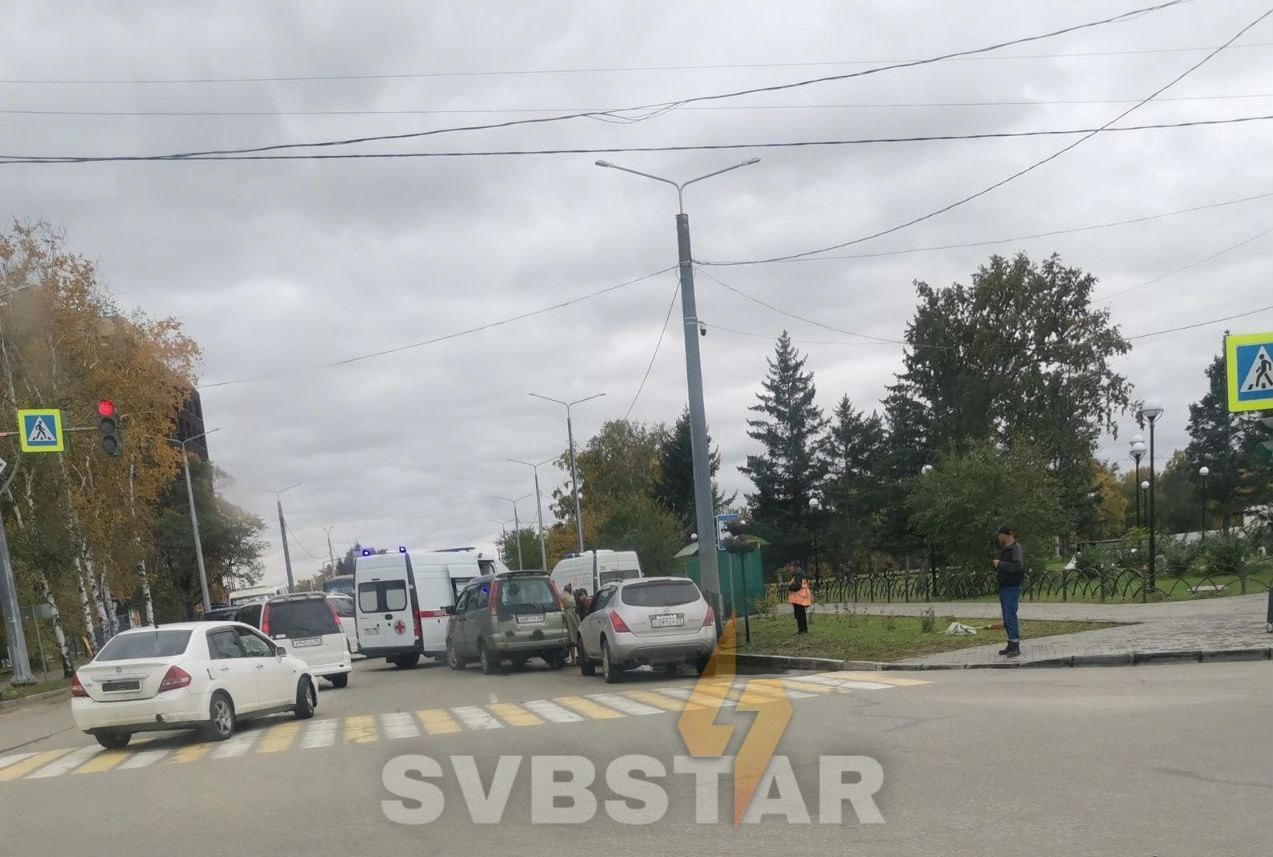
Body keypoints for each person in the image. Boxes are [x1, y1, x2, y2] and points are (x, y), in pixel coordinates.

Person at [992, 526, 1025, 657]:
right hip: (1004, 586)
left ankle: (1015, 646)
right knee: (1006, 617)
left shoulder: (1016, 548)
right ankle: (1011, 643)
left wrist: (1000, 564)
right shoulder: (1005, 549)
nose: (998, 539)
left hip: (1011, 587)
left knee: (1010, 616)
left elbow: (1018, 566)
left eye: (999, 536)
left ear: (1004, 535)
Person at [787, 561, 812, 634]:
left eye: (791, 566)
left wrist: (790, 587)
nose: (790, 568)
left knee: (799, 614)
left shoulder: (797, 574)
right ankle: (804, 629)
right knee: (802, 614)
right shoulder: (801, 573)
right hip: (801, 597)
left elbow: (798, 586)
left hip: (798, 598)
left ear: (795, 566)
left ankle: (802, 630)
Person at [559, 584, 580, 664]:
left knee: (571, 638)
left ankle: (574, 659)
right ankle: (579, 658)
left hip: (568, 615)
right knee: (577, 637)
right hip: (575, 615)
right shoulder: (570, 597)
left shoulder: (562, 596)